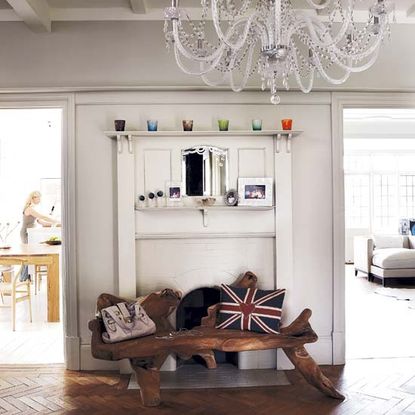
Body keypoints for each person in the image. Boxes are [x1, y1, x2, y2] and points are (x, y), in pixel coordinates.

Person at [19, 191, 60, 281]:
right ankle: (23, 279)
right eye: (39, 198)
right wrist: (56, 221)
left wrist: (56, 224)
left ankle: (26, 278)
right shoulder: (29, 208)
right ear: (33, 198)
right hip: (26, 233)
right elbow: (43, 217)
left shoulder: (33, 208)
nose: (40, 200)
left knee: (29, 255)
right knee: (28, 255)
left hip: (30, 233)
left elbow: (41, 222)